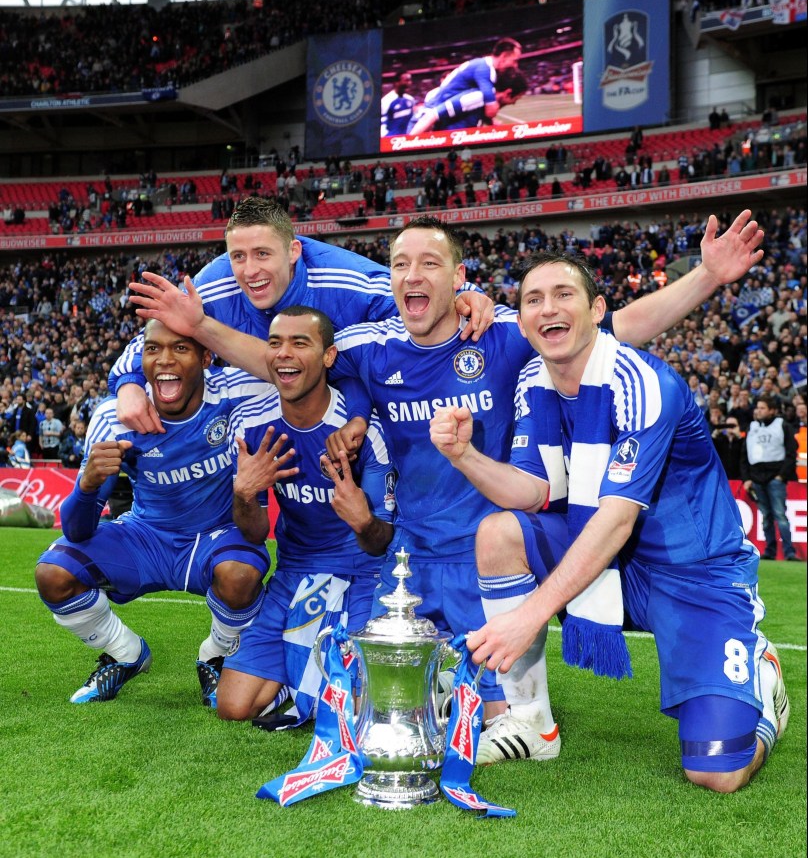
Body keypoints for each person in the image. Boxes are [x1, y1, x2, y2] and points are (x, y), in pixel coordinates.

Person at [128, 209, 766, 759]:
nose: (412, 275)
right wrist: (204, 329)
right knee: (380, 715)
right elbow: (283, 361)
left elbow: (616, 329)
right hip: (405, 562)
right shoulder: (369, 347)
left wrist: (707, 275)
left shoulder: (498, 336)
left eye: (429, 263)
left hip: (486, 555)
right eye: (400, 263)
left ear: (459, 279)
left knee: (484, 724)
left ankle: (526, 710)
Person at [430, 251, 789, 791]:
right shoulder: (534, 379)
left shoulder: (643, 382)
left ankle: (761, 684)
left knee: (717, 771)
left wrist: (528, 616)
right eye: (533, 299)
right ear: (521, 321)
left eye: (563, 294)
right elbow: (534, 491)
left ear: (598, 309)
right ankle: (528, 721)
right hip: (615, 560)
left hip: (694, 574)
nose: (548, 308)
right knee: (499, 532)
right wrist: (465, 457)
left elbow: (616, 521)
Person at [34, 319, 273, 706]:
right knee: (54, 572)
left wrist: (246, 494)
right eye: (153, 349)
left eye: (180, 349)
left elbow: (256, 532)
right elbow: (78, 530)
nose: (165, 360)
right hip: (145, 535)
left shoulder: (239, 401)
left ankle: (216, 654)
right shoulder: (115, 416)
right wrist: (88, 484)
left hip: (214, 536)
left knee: (241, 574)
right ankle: (125, 652)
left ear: (206, 357)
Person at [110, 196, 493, 434]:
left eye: (263, 254)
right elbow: (150, 338)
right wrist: (127, 387)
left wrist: (469, 295)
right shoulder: (213, 285)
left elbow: (420, 289)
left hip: (339, 408)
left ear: (294, 251)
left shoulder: (347, 280)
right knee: (112, 413)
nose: (249, 271)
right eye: (238, 257)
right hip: (255, 408)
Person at [216, 305, 394, 722]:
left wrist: (362, 520)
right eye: (275, 343)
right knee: (233, 706)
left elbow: (381, 540)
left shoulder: (363, 431)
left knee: (361, 711)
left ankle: (314, 684)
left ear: (328, 357)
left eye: (300, 343)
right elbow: (255, 533)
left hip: (364, 573)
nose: (284, 354)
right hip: (295, 571)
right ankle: (297, 685)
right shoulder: (252, 427)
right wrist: (244, 494)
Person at [411, 37, 523, 131]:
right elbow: (491, 110)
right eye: (515, 60)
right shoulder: (485, 70)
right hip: (433, 110)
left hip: (439, 110)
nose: (515, 66)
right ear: (503, 56)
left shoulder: (483, 66)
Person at [740, 395, 798, 561]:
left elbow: (791, 452)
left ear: (772, 410)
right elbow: (744, 455)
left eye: (762, 408)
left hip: (775, 477)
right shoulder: (751, 427)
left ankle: (789, 552)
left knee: (780, 515)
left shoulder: (782, 426)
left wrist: (781, 476)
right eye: (757, 407)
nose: (758, 411)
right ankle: (770, 551)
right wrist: (746, 479)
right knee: (766, 518)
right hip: (757, 478)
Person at [407, 70, 528, 136]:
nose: (513, 103)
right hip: (448, 149)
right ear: (507, 93)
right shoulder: (477, 96)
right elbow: (432, 115)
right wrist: (408, 145)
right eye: (516, 98)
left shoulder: (486, 102)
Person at [380, 72, 416, 137]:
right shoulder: (386, 101)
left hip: (409, 138)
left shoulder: (410, 99)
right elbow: (382, 123)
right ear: (397, 82)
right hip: (392, 139)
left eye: (410, 80)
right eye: (406, 80)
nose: (410, 83)